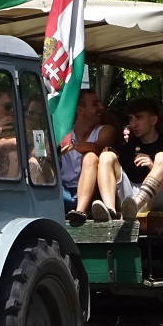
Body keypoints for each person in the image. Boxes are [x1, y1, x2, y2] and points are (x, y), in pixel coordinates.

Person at [110, 97, 163, 222]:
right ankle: (109, 211)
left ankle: (135, 205)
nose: (133, 124)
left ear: (153, 120)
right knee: (107, 157)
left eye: (139, 118)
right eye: (131, 119)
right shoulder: (129, 148)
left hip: (159, 197)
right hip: (130, 196)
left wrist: (154, 166)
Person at [59, 89, 116, 226]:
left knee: (90, 156)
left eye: (100, 104)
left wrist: (74, 144)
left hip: (91, 195)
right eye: (95, 104)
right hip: (62, 192)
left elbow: (97, 147)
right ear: (80, 110)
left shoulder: (106, 130)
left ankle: (80, 212)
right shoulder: (63, 133)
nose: (101, 108)